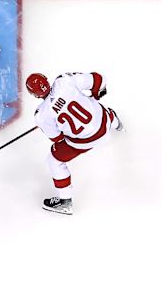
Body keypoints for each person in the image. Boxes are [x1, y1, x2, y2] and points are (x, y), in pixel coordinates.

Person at [26, 72, 123, 215]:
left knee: (54, 160)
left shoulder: (41, 115)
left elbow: (57, 138)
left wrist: (56, 122)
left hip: (86, 141)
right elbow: (99, 80)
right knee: (104, 114)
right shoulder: (63, 81)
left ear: (35, 95)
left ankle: (65, 202)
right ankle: (119, 127)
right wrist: (95, 95)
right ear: (46, 80)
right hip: (104, 122)